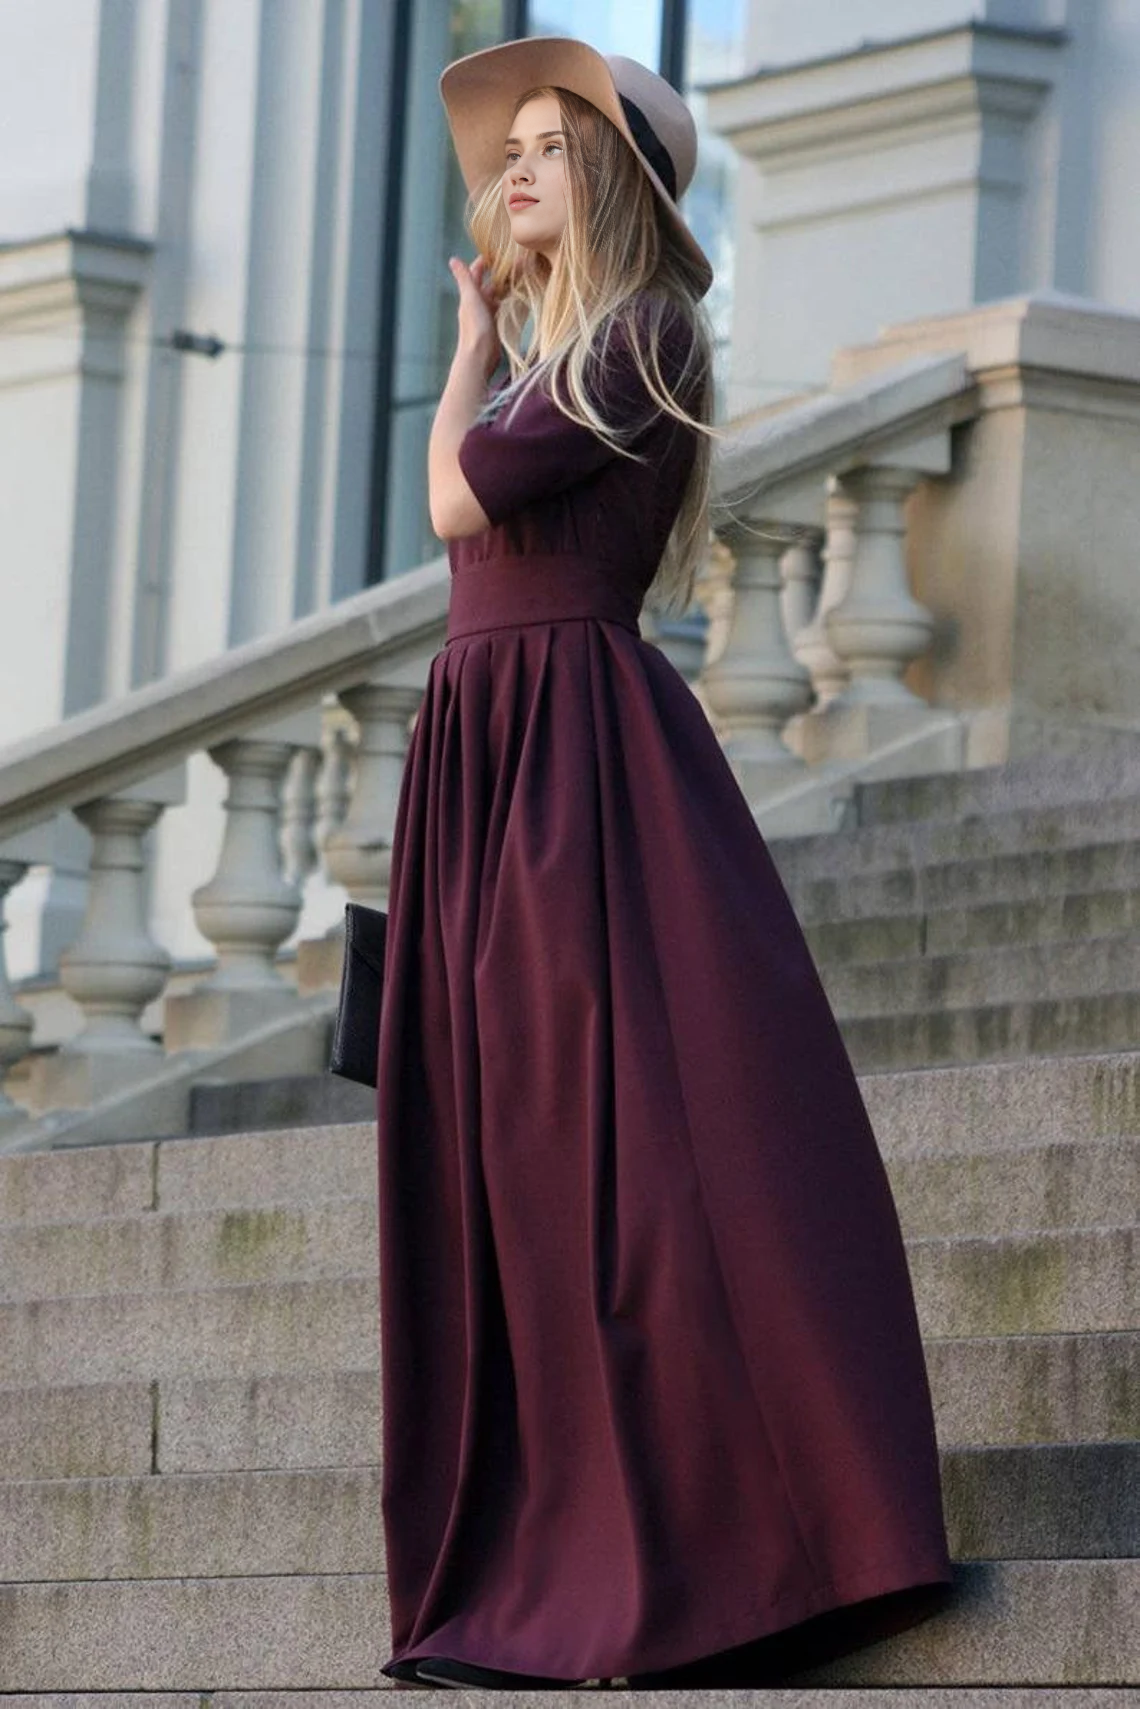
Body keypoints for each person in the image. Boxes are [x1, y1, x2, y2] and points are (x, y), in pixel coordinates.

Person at [376, 36, 954, 1692]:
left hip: (575, 759)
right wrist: (493, 344)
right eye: (517, 151)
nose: (521, 171)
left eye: (555, 148)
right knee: (515, 1159)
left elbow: (456, 503)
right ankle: (542, 1552)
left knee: (619, 1151)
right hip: (487, 751)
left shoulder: (641, 337)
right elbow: (465, 516)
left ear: (616, 179)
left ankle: (705, 1549)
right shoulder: (567, 350)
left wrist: (472, 347)